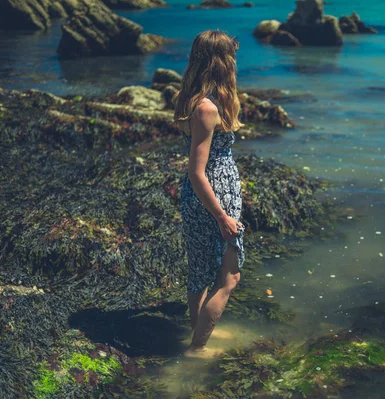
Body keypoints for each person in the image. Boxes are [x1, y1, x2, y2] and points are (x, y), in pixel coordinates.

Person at [173, 30, 246, 358]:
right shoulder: (206, 108)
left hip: (210, 196)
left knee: (201, 271)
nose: (234, 62)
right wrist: (223, 217)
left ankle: (198, 333)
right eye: (231, 56)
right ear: (220, 62)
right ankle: (197, 348)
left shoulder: (201, 99)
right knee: (229, 277)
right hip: (212, 198)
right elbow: (196, 171)